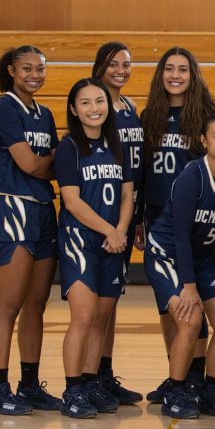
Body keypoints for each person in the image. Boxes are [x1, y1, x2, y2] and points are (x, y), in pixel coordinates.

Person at [143, 113, 215, 418]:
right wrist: (189, 287)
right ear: (204, 141)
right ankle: (176, 392)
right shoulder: (192, 175)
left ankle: (209, 391)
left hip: (203, 258)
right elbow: (179, 237)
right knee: (190, 322)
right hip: (166, 254)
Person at [0, 46, 63, 415]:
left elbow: (53, 163)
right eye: (27, 68)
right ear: (12, 70)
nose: (35, 74)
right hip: (12, 207)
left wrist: (50, 166)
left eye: (40, 68)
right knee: (9, 305)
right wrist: (52, 166)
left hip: (45, 211)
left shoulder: (44, 114)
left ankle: (28, 385)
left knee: (36, 305)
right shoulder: (6, 107)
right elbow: (32, 164)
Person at [140, 48, 215, 403]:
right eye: (169, 69)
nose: (175, 75)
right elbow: (141, 173)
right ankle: (177, 372)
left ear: (193, 74)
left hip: (195, 223)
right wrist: (142, 216)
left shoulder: (206, 115)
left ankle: (194, 378)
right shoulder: (149, 116)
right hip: (159, 219)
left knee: (193, 305)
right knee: (167, 306)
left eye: (183, 69)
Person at [55, 78, 133, 418]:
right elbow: (72, 202)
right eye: (85, 103)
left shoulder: (118, 146)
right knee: (83, 317)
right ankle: (72, 389)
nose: (94, 108)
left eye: (99, 101)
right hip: (80, 240)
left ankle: (89, 383)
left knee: (101, 318)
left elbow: (128, 195)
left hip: (111, 241)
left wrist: (120, 231)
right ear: (74, 109)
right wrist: (110, 230)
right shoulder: (69, 146)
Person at [91, 42, 144, 405]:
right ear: (100, 67)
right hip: (102, 211)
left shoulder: (130, 106)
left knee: (111, 302)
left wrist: (136, 218)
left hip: (128, 210)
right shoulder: (96, 105)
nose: (120, 70)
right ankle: (87, 377)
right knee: (95, 306)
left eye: (126, 64)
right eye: (113, 64)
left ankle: (104, 374)